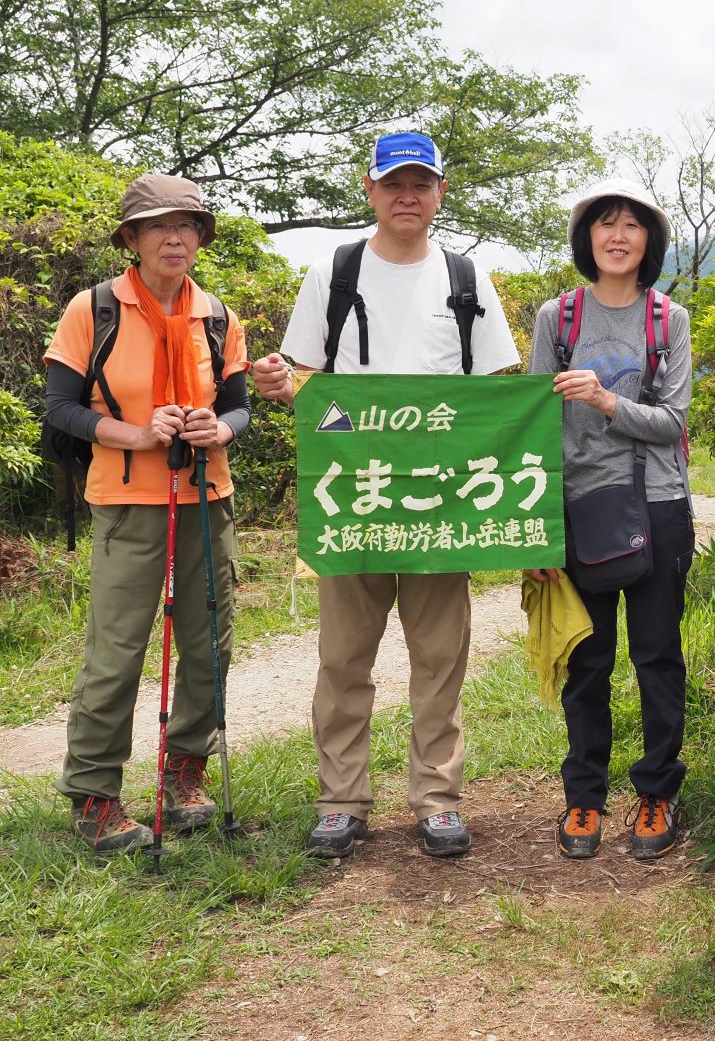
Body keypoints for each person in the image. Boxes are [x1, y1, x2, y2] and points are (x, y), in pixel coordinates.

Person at [251, 131, 519, 860]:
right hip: (354, 493)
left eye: (421, 184)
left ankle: (437, 797)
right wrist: (280, 382)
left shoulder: (467, 278)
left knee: (441, 657)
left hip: (441, 498)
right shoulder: (332, 273)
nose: (408, 196)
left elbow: (494, 395)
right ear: (369, 190)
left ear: (439, 194)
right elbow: (302, 377)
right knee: (343, 656)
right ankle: (341, 800)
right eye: (394, 183)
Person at [44, 174, 250, 851]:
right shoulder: (94, 309)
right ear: (131, 238)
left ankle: (184, 772)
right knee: (117, 649)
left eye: (187, 225)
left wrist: (217, 431)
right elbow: (61, 409)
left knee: (208, 644)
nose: (174, 237)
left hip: (205, 497)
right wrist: (137, 432)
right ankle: (94, 794)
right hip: (127, 501)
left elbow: (238, 406)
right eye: (158, 226)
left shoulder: (217, 316)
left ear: (200, 237)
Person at [527, 178, 692, 863]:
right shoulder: (557, 318)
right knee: (588, 662)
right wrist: (536, 525)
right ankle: (584, 795)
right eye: (605, 224)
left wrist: (603, 402)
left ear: (649, 241)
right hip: (580, 508)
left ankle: (657, 792)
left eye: (632, 225)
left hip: (657, 504)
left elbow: (675, 423)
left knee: (656, 655)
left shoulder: (667, 320)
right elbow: (535, 423)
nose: (618, 235)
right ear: (587, 238)